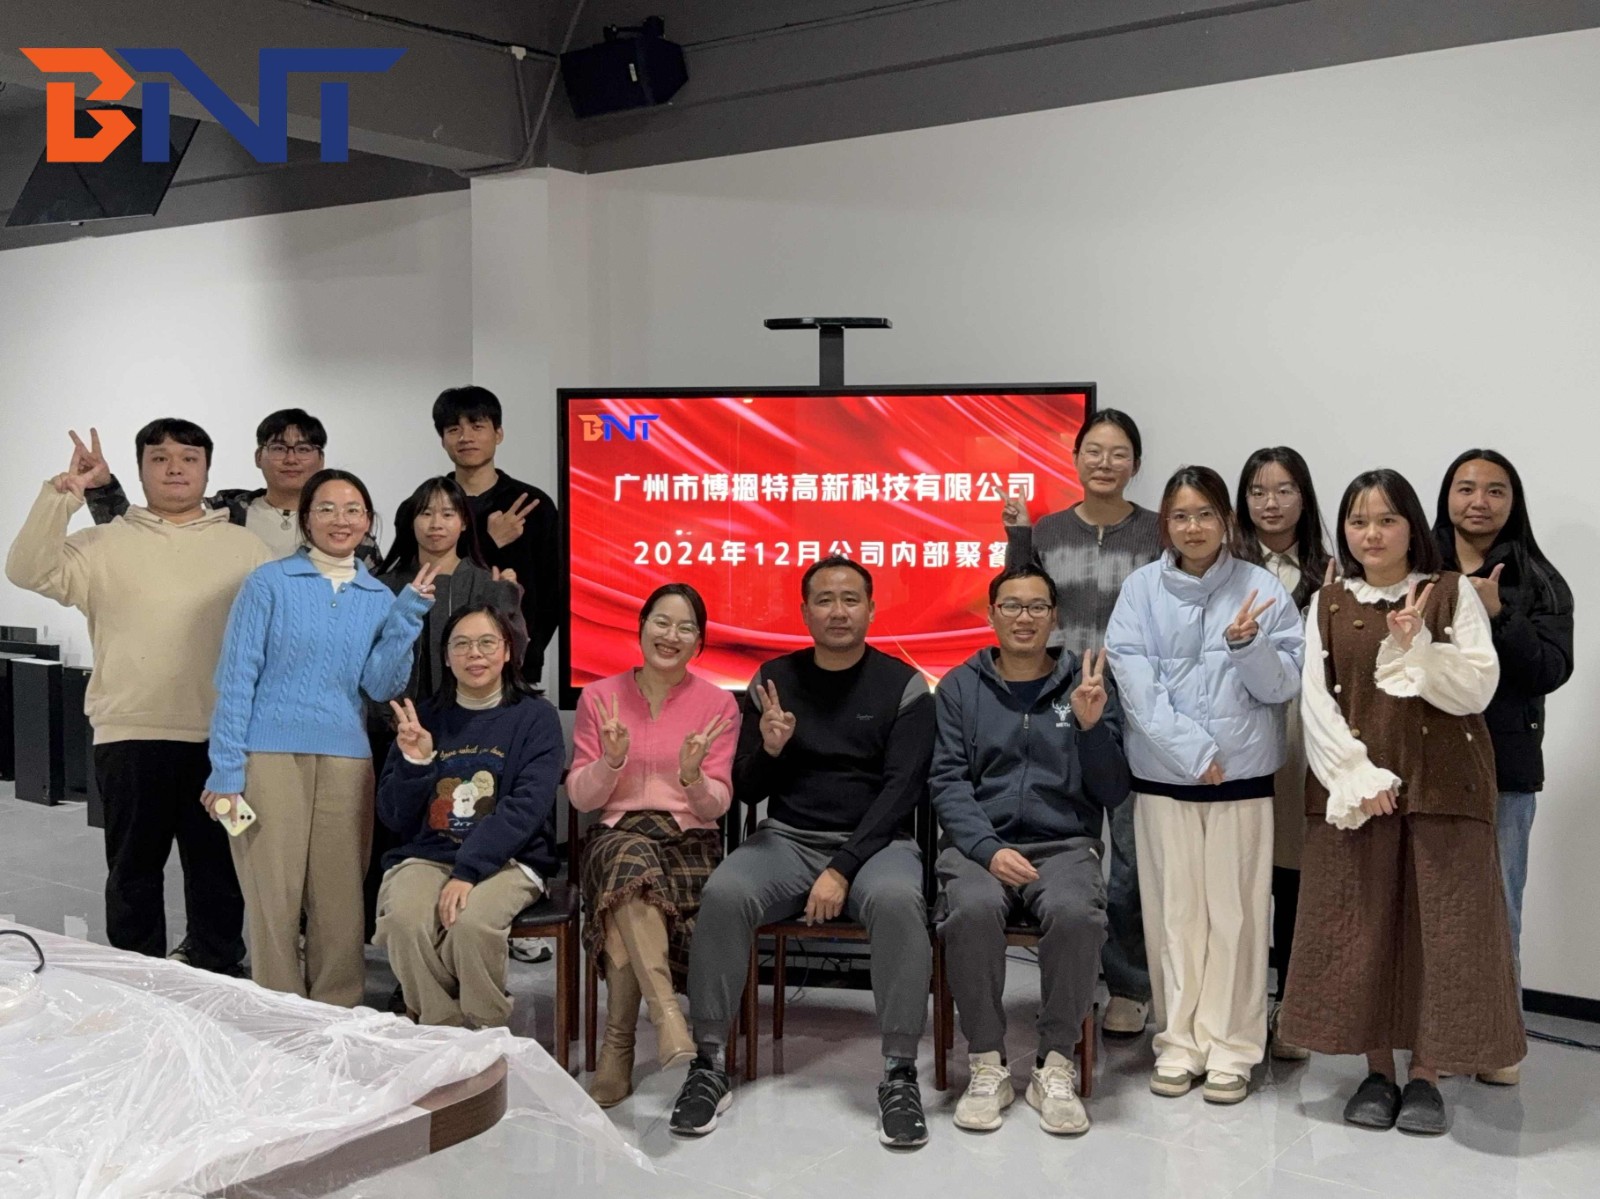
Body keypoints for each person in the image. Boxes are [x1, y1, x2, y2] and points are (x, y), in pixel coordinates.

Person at [1280, 469, 1524, 1136]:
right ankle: (1378, 1070)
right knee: (1360, 929)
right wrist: (1357, 776)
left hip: (1447, 786)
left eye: (1386, 519)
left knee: (1442, 932)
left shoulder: (1450, 592)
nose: (1372, 534)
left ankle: (1428, 1075)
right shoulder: (1327, 601)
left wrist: (1418, 644)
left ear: (1411, 526)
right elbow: (1316, 700)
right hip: (1358, 796)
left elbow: (1477, 688)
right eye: (1359, 521)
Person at [669, 557, 936, 1147]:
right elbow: (749, 788)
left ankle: (898, 1072)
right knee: (725, 893)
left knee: (897, 902)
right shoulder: (774, 679)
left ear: (871, 609)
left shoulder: (904, 685)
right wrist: (770, 749)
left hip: (876, 844)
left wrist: (842, 868)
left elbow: (903, 791)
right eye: (825, 600)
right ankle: (708, 1062)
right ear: (805, 611)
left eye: (850, 599)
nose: (838, 611)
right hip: (788, 838)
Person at [6, 421, 270, 973]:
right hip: (129, 736)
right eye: (159, 457)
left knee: (220, 875)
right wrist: (62, 496)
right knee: (133, 874)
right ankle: (136, 978)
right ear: (141, 468)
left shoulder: (247, 550)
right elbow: (26, 570)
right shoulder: (103, 544)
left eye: (189, 458)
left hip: (222, 747)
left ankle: (219, 970)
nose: (175, 468)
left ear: (207, 469)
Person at [1106, 466, 1302, 1105]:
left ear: (1226, 520)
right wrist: (1195, 752)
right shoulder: (1140, 589)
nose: (1193, 528)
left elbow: (1283, 686)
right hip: (1165, 779)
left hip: (1241, 781)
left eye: (1205, 514)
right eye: (1180, 516)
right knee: (1175, 916)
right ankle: (1179, 1043)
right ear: (1166, 524)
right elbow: (1135, 686)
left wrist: (1248, 646)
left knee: (1237, 918)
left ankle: (1233, 1047)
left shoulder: (1262, 587)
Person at [202, 469, 434, 1006]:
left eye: (353, 509)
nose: (340, 520)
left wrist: (406, 618)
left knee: (340, 896)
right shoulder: (269, 583)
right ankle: (279, 1009)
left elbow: (381, 685)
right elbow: (235, 679)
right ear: (305, 519)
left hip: (346, 758)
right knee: (273, 895)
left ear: (368, 521)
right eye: (326, 508)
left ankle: (338, 1009)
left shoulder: (378, 596)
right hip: (267, 756)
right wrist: (226, 771)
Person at [931, 566, 1131, 1136]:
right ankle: (987, 1063)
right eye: (1012, 606)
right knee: (972, 909)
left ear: (1055, 617)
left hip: (1064, 845)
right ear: (991, 614)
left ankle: (1055, 1064)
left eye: (1037, 607)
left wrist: (1090, 728)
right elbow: (947, 781)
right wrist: (987, 849)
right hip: (978, 846)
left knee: (1076, 914)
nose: (1025, 618)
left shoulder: (1086, 683)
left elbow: (1113, 790)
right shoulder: (960, 686)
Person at [1003, 407, 1160, 1037]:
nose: (1105, 463)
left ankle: (1127, 982)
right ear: (1074, 459)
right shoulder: (1049, 530)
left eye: (1118, 453)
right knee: (1067, 832)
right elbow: (1021, 599)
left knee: (1129, 847)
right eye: (1093, 451)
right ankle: (1072, 976)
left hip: (1137, 698)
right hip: (1064, 695)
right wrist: (1018, 538)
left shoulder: (1157, 532)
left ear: (1136, 464)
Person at [568, 583, 740, 1107]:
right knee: (629, 862)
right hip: (618, 833)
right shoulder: (599, 697)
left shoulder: (719, 705)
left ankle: (618, 1046)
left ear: (699, 642)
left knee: (628, 889)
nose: (671, 635)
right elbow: (581, 797)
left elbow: (717, 805)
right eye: (661, 622)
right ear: (641, 627)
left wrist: (691, 777)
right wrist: (611, 762)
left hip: (688, 840)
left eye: (686, 628)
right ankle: (667, 1016)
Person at [1433, 450, 1572, 1087]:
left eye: (1495, 490)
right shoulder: (1419, 569)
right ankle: (1435, 1035)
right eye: (1466, 488)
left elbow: (1551, 669)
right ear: (1446, 497)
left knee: (1497, 907)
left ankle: (1496, 1041)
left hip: (1505, 767)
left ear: (1513, 503)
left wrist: (1498, 614)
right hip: (1426, 762)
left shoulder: (1540, 580)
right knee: (1430, 904)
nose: (1479, 502)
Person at [374, 604, 562, 1028]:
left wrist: (468, 870)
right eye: (461, 644)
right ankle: (443, 1029)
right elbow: (393, 816)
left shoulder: (536, 717)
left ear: (508, 651)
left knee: (471, 925)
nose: (474, 654)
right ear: (446, 657)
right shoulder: (423, 718)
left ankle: (483, 1030)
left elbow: (526, 808)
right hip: (428, 856)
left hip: (509, 859)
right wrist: (416, 762)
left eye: (486, 643)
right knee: (403, 920)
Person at [366, 476, 528, 941]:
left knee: (463, 822)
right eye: (425, 512)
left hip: (468, 734)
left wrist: (510, 598)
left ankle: (465, 933)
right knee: (396, 836)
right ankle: (401, 943)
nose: (436, 523)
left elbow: (513, 654)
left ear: (464, 523)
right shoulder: (384, 585)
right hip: (393, 732)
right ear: (410, 521)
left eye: (448, 513)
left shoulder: (486, 582)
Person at [1234, 446, 1333, 1063]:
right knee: (1240, 876)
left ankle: (1290, 1003)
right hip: (1238, 731)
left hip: (1303, 737)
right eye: (1257, 491)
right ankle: (1238, 1006)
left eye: (1284, 490)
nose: (1270, 503)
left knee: (1294, 875)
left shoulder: (1331, 571)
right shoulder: (1224, 569)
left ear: (1304, 497)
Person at [75, 409, 379, 565]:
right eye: (278, 448)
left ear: (320, 459)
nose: (291, 459)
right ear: (258, 457)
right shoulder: (222, 512)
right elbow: (142, 536)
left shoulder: (347, 528)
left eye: (303, 449)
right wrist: (101, 488)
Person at [433, 386, 560, 682]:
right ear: (443, 440)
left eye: (477, 426)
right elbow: (425, 576)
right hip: (441, 666)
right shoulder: (427, 506)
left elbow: (553, 592)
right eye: (454, 429)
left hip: (516, 665)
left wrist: (528, 650)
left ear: (498, 434)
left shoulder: (532, 504)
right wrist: (491, 542)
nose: (466, 437)